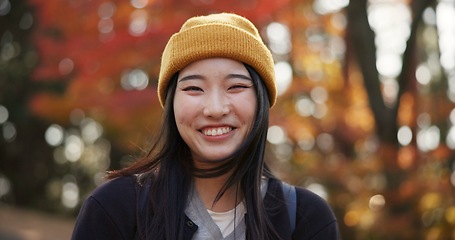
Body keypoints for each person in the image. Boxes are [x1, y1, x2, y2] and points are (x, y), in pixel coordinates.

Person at [71, 12, 339, 240]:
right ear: (172, 102)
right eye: (194, 88)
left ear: (261, 99)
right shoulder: (115, 207)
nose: (215, 109)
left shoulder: (306, 219)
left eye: (235, 86)